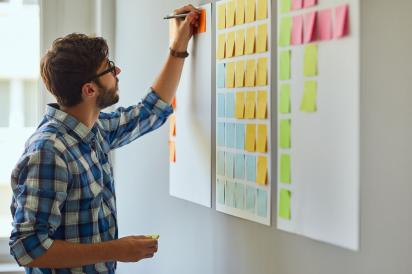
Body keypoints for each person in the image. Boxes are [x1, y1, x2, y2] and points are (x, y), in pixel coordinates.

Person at [9, 4, 200, 273]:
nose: (117, 71)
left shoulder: (93, 130)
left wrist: (178, 47)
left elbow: (149, 111)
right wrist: (115, 249)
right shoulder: (50, 152)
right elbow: (28, 248)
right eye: (109, 68)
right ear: (89, 89)